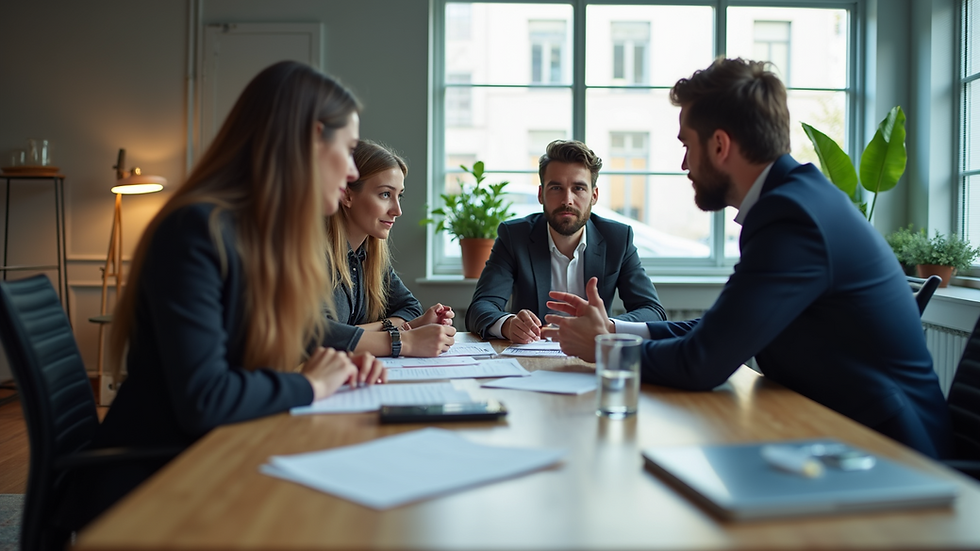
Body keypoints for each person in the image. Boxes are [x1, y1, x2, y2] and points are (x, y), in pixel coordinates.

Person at [544, 58, 952, 459]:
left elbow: (703, 362)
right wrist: (614, 329)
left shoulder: (794, 217)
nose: (684, 164)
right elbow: (720, 329)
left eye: (687, 145)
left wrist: (603, 348)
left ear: (720, 145)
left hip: (890, 454)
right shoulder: (795, 200)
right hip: (831, 435)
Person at [60, 61, 386, 532]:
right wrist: (310, 384)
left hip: (214, 456)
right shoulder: (197, 230)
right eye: (350, 150)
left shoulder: (260, 238)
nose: (353, 171)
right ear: (312, 139)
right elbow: (205, 397)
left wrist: (331, 368)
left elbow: (251, 359)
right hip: (156, 482)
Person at [466, 139, 667, 344]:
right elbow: (480, 307)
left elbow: (653, 312)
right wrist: (508, 324)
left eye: (579, 188)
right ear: (541, 194)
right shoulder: (514, 236)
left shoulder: (617, 238)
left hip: (593, 358)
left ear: (594, 195)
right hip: (532, 360)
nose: (567, 200)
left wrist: (607, 327)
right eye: (556, 188)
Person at [324, 139, 456, 357]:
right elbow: (319, 335)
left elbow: (411, 307)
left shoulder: (370, 257)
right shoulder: (313, 255)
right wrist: (403, 338)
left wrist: (359, 333)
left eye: (399, 195)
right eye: (385, 194)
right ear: (347, 194)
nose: (397, 210)